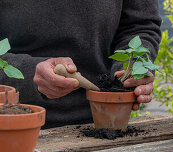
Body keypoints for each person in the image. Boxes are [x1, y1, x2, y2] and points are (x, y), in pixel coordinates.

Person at [0, 1, 161, 128]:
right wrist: (30, 73)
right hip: (13, 124)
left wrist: (130, 69)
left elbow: (141, 25)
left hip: (105, 123)